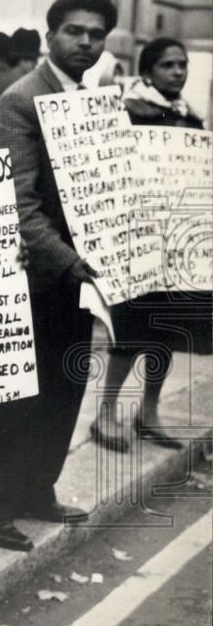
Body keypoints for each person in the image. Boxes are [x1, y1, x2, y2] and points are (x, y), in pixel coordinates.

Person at [0, 0, 119, 552]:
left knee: (66, 384)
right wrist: (72, 263)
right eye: (75, 32)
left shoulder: (93, 97)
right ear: (50, 35)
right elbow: (17, 203)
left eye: (96, 35)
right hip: (38, 272)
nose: (86, 43)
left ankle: (36, 489)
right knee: (19, 395)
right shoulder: (22, 99)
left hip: (81, 276)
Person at [91, 37, 210, 452]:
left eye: (182, 65)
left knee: (166, 330)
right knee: (130, 330)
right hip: (136, 240)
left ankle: (149, 412)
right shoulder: (129, 112)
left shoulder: (191, 119)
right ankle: (105, 414)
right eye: (168, 66)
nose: (178, 72)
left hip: (175, 244)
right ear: (148, 72)